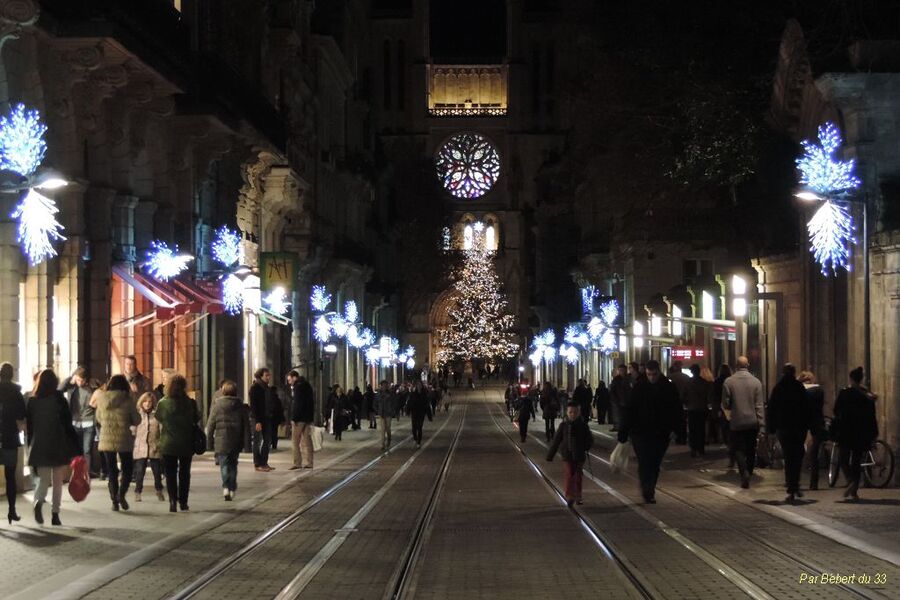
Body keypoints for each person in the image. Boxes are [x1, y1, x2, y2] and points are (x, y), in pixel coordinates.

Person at [617, 360, 681, 504]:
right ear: (645, 373)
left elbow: (676, 410)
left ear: (659, 372)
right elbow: (630, 410)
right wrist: (624, 431)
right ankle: (648, 490)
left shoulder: (668, 387)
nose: (652, 377)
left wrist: (677, 430)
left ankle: (650, 486)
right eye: (649, 374)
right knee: (645, 461)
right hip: (641, 432)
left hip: (661, 432)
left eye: (654, 374)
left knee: (655, 462)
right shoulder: (639, 388)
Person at [26, 369, 79, 525]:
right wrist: (75, 447)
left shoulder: (32, 401)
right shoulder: (59, 400)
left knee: (42, 480)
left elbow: (30, 428)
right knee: (57, 481)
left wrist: (31, 446)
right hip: (57, 443)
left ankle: (38, 501)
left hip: (39, 444)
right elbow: (68, 425)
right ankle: (55, 514)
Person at [94, 375, 141, 511]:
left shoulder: (102, 399)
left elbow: (98, 418)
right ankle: (121, 494)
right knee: (127, 469)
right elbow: (136, 420)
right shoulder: (127, 399)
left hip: (106, 438)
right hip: (123, 438)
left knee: (112, 470)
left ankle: (114, 500)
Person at [832, 367, 879, 502]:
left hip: (846, 431)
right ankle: (854, 491)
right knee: (856, 461)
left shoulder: (845, 393)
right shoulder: (867, 395)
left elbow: (836, 410)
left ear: (851, 378)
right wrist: (873, 434)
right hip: (861, 433)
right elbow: (871, 416)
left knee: (843, 458)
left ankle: (850, 480)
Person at [765, 364, 810, 503]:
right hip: (798, 427)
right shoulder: (799, 387)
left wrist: (771, 428)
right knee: (797, 455)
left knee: (789, 456)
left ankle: (791, 486)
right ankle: (794, 484)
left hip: (784, 427)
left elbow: (771, 409)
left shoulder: (779, 388)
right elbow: (806, 407)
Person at [156, 374, 200, 512]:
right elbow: (197, 418)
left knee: (170, 473)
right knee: (185, 473)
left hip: (168, 443)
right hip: (186, 443)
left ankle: (172, 501)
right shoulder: (190, 403)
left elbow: (159, 418)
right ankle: (184, 502)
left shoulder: (163, 403)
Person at [722, 356, 765, 489]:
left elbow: (725, 403)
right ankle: (750, 472)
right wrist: (762, 425)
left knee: (738, 449)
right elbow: (759, 405)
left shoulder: (728, 382)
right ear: (748, 365)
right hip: (752, 422)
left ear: (735, 365)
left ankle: (743, 472)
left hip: (736, 421)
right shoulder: (756, 382)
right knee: (751, 449)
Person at [206, 380, 251, 501]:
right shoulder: (240, 406)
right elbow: (246, 426)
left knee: (224, 465)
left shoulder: (217, 405)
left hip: (221, 441)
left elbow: (210, 425)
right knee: (233, 465)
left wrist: (208, 443)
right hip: (236, 440)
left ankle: (226, 486)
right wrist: (247, 445)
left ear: (223, 391)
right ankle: (232, 487)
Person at [547, 401, 594, 507]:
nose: (573, 414)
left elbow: (590, 439)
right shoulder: (563, 425)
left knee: (578, 476)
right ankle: (570, 496)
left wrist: (586, 446)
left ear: (579, 413)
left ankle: (578, 495)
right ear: (567, 413)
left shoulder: (583, 425)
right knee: (569, 475)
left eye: (575, 412)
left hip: (579, 455)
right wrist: (550, 455)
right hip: (567, 455)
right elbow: (556, 440)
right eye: (570, 412)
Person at [59, 367, 98, 476]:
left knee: (87, 449)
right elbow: (59, 390)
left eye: (82, 380)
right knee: (76, 449)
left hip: (89, 422)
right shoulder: (72, 387)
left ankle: (86, 472)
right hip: (75, 422)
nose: (80, 383)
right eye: (78, 380)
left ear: (86, 379)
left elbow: (101, 391)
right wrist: (70, 379)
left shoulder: (92, 386)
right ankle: (77, 471)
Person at [0, 362, 26, 524]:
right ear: (12, 375)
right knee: (10, 477)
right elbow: (21, 416)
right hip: (10, 438)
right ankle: (11, 511)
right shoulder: (16, 393)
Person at [133, 392, 165, 502]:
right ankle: (138, 492)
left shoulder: (156, 416)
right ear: (141, 402)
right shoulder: (137, 415)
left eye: (150, 402)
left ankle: (159, 490)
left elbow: (161, 430)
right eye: (145, 401)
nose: (147, 404)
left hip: (154, 447)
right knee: (140, 471)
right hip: (140, 447)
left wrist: (161, 444)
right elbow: (132, 430)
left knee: (157, 472)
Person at [799, 371, 826, 490]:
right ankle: (814, 482)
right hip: (817, 423)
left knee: (798, 452)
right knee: (814, 454)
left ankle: (795, 480)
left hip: (802, 423)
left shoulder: (800, 391)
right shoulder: (819, 391)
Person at [249, 368, 274, 472]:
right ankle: (257, 463)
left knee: (267, 440)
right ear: (260, 376)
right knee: (257, 441)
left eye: (269, 375)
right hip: (258, 418)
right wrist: (257, 421)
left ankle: (264, 462)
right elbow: (254, 406)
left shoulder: (267, 388)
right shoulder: (255, 388)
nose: (268, 377)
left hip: (267, 417)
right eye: (266, 375)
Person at [288, 372, 315, 470]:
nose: (289, 382)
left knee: (295, 441)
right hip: (307, 417)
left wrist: (294, 418)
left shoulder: (297, 387)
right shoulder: (307, 385)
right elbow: (311, 402)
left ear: (294, 378)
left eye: (290, 379)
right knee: (307, 441)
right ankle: (310, 462)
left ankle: (297, 463)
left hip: (299, 419)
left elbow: (297, 404)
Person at [684, 364, 711, 457]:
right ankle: (701, 448)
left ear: (692, 372)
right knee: (701, 429)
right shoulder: (705, 383)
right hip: (702, 408)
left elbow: (684, 396)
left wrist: (686, 403)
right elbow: (708, 396)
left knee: (692, 430)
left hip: (691, 408)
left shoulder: (688, 383)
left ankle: (693, 449)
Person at [713, 364, 733, 463]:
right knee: (731, 427)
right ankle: (731, 445)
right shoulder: (732, 381)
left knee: (724, 426)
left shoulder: (717, 381)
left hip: (721, 408)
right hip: (732, 408)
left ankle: (728, 443)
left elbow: (715, 396)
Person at [668, 361, 690, 445]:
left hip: (673, 402)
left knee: (674, 420)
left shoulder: (670, 377)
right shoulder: (686, 377)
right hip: (683, 402)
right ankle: (683, 437)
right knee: (683, 421)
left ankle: (677, 437)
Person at [407, 381, 433, 448]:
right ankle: (415, 438)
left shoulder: (424, 394)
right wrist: (408, 411)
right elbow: (409, 403)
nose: (419, 386)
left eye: (420, 385)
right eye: (418, 385)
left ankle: (419, 442)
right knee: (414, 428)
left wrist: (429, 416)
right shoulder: (413, 394)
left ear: (422, 386)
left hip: (421, 413)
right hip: (414, 413)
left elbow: (427, 405)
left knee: (419, 427)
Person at [374, 380, 397, 451]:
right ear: (381, 386)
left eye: (385, 385)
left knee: (388, 428)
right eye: (383, 385)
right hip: (381, 414)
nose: (384, 386)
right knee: (382, 429)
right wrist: (377, 410)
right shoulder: (378, 394)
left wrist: (392, 410)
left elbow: (394, 402)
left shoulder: (390, 394)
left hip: (388, 414)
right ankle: (382, 444)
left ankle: (389, 438)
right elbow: (375, 403)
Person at [608, 365, 630, 431]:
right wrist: (615, 400)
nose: (622, 372)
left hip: (627, 400)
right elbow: (612, 390)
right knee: (617, 414)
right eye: (620, 370)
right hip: (618, 400)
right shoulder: (616, 379)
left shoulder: (628, 378)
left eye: (623, 370)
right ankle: (617, 426)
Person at [268, 380, 284, 451]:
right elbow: (280, 409)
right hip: (276, 418)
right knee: (274, 431)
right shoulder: (277, 399)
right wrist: (282, 418)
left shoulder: (268, 398)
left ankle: (269, 443)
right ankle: (274, 444)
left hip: (269, 417)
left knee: (269, 431)